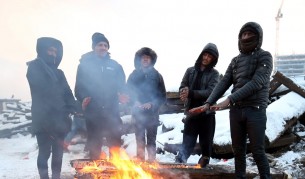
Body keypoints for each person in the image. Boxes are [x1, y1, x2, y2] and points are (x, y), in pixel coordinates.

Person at [189, 22, 272, 178]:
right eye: (243, 34)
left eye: (250, 35)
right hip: (236, 111)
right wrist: (208, 103)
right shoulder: (235, 61)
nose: (246, 37)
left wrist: (229, 99)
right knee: (238, 151)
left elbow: (257, 82)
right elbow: (223, 82)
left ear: (258, 37)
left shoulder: (264, 56)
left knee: (257, 151)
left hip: (255, 109)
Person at [26, 37, 76, 179]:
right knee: (44, 152)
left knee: (58, 153)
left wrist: (74, 107)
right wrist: (63, 108)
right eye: (50, 50)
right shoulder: (34, 67)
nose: (53, 54)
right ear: (42, 50)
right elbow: (44, 92)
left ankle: (56, 177)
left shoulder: (59, 73)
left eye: (55, 51)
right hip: (43, 119)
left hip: (59, 120)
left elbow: (68, 93)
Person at [75, 32, 129, 160]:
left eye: (105, 45)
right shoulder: (84, 66)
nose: (103, 47)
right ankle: (95, 172)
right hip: (93, 111)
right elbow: (78, 88)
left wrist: (122, 94)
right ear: (94, 47)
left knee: (115, 143)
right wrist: (83, 98)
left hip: (112, 111)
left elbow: (122, 86)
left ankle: (116, 171)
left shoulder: (115, 66)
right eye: (100, 45)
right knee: (94, 143)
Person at [174, 43, 219, 168]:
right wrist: (183, 92)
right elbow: (183, 85)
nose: (206, 58)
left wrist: (191, 93)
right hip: (191, 113)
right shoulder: (190, 71)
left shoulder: (214, 74)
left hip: (206, 114)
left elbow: (212, 92)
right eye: (205, 54)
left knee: (206, 144)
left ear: (213, 59)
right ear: (201, 55)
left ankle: (203, 168)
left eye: (209, 56)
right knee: (187, 142)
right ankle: (178, 168)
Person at [127, 47, 166, 162]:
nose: (145, 59)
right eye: (143, 57)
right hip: (137, 113)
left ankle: (152, 162)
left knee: (151, 140)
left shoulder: (157, 76)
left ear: (151, 60)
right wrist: (134, 102)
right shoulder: (133, 75)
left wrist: (152, 104)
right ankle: (140, 162)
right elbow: (127, 93)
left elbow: (162, 97)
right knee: (139, 139)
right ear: (139, 60)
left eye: (147, 57)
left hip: (152, 115)